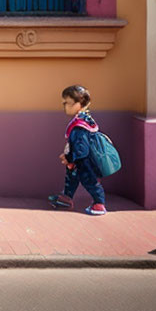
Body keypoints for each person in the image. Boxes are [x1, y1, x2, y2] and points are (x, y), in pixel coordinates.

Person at [47, 84, 107, 216]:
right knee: (71, 179)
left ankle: (99, 203)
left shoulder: (80, 125)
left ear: (79, 104)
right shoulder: (82, 120)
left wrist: (69, 158)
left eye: (68, 103)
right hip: (76, 160)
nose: (64, 106)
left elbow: (81, 148)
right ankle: (66, 199)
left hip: (83, 162)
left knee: (89, 181)